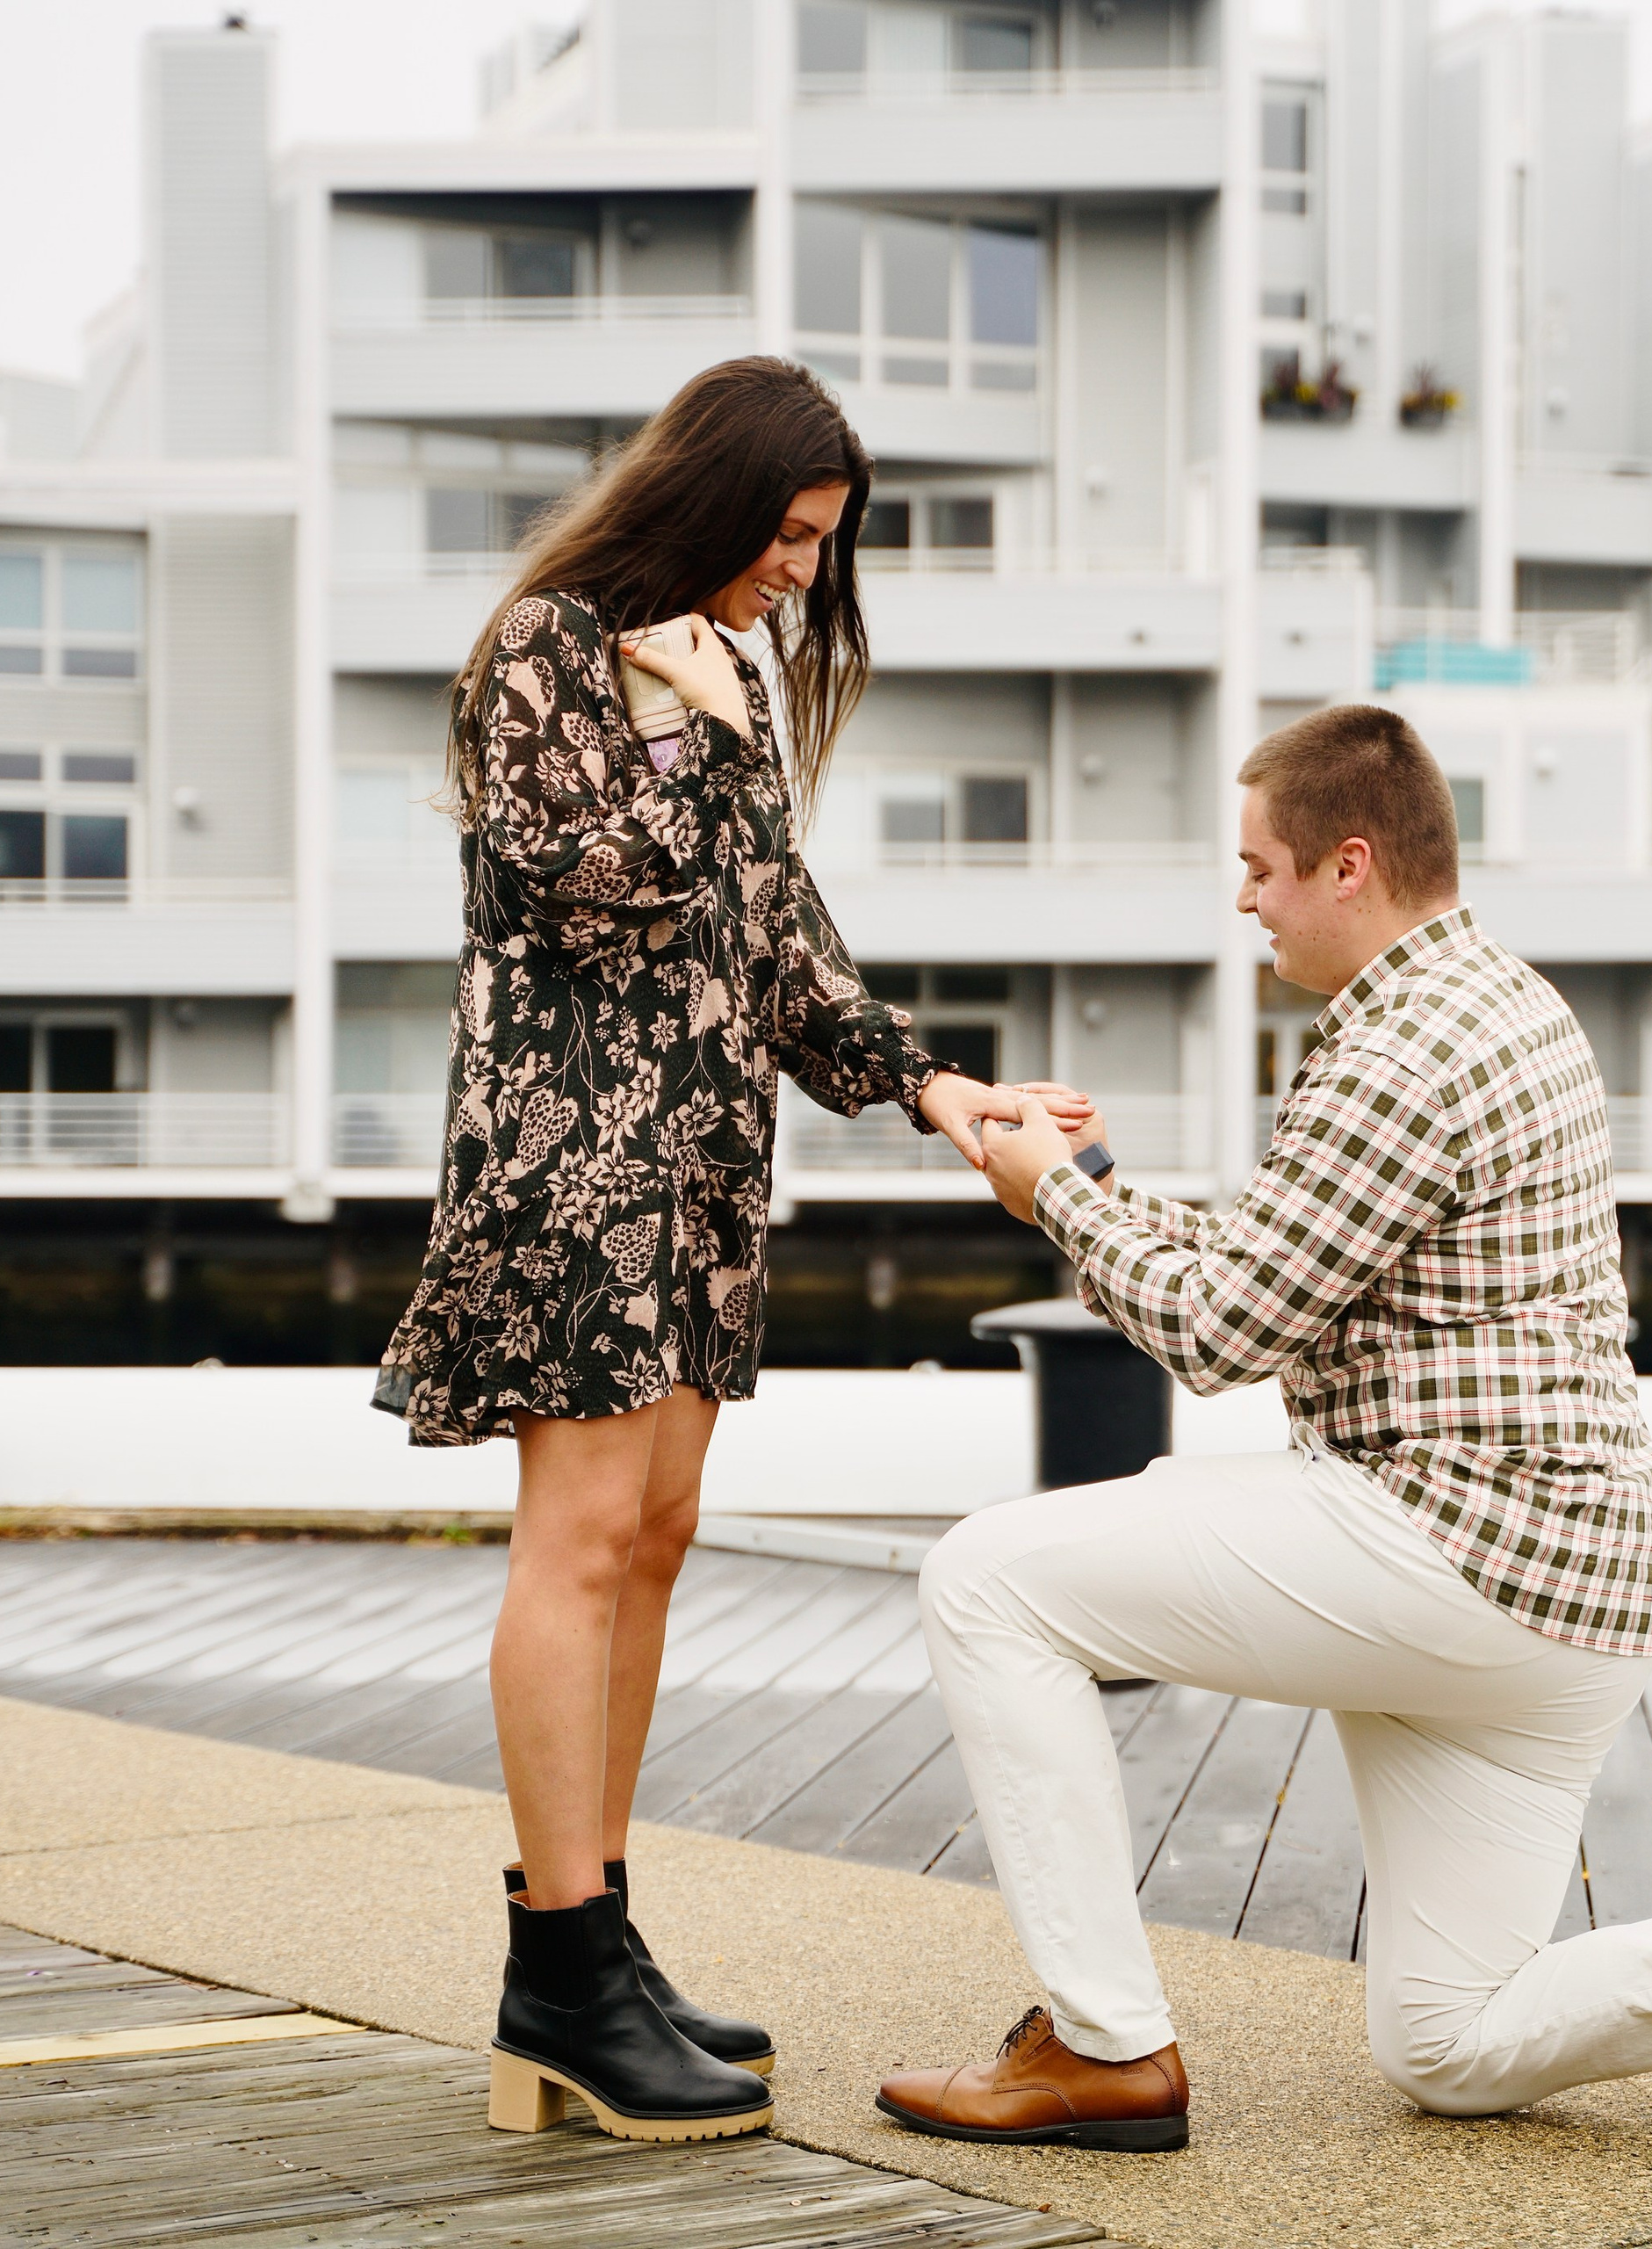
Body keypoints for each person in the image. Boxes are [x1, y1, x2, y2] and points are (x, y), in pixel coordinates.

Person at [878, 704, 1652, 2162]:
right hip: (1570, 1603)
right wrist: (1083, 1178)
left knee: (987, 1577)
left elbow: (1219, 1337)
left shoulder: (1395, 1050)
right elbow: (1277, 1263)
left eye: (1259, 866)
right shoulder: (1503, 1003)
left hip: (1444, 1545)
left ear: (1349, 865)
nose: (1243, 897)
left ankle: (1101, 2048)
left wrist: (1054, 1200)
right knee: (1452, 2045)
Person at [372, 358, 1048, 2145]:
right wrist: (700, 734)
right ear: (717, 493)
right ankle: (558, 1968)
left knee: (653, 1543)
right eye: (791, 538)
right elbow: (590, 870)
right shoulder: (548, 643)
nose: (798, 579)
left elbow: (773, 932)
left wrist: (930, 1085)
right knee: (579, 1538)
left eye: (823, 552)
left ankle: (601, 1924)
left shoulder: (717, 668)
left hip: (694, 1170)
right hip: (566, 1168)